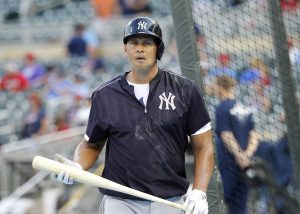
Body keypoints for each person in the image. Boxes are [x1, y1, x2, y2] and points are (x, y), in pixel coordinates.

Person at [52, 17, 214, 214]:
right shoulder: (105, 95)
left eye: (147, 42)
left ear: (158, 48)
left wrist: (199, 191)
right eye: (133, 42)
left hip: (170, 199)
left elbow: (204, 145)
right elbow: (90, 144)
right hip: (120, 200)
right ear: (125, 48)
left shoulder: (185, 90)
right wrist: (77, 166)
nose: (140, 48)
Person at [214, 75, 259, 214]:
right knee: (240, 206)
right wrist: (246, 156)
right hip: (245, 165)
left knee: (217, 201)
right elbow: (254, 136)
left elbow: (226, 135)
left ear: (221, 87)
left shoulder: (222, 108)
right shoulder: (245, 108)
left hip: (229, 164)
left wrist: (239, 155)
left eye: (215, 86)